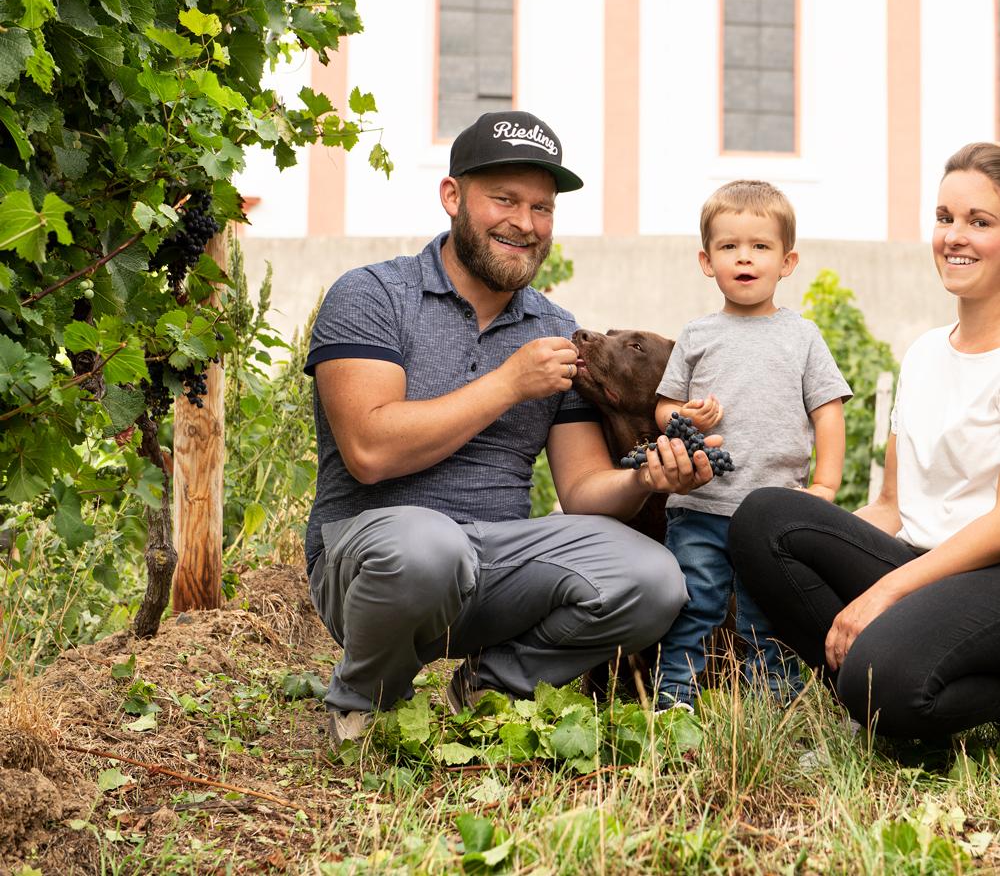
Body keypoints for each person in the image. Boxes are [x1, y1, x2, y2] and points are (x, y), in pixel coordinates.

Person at [304, 110, 719, 745]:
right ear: (451, 197)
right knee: (428, 548)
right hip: (376, 560)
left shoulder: (554, 326)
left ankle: (493, 686)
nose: (525, 224)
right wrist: (506, 384)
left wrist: (648, 474)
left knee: (655, 579)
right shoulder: (371, 296)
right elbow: (368, 449)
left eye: (542, 208)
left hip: (497, 563)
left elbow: (582, 492)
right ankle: (368, 699)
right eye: (504, 199)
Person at [729, 142, 1000, 740]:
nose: (954, 236)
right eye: (944, 218)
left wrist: (885, 591)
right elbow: (894, 506)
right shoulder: (927, 353)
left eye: (980, 222)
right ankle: (874, 685)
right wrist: (810, 550)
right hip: (925, 566)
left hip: (989, 575)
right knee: (763, 518)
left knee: (885, 683)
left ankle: (896, 688)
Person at [653, 180, 852, 711]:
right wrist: (683, 417)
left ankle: (774, 710)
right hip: (701, 507)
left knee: (767, 615)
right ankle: (676, 704)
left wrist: (824, 486)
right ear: (706, 259)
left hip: (773, 516)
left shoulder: (802, 336)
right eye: (729, 246)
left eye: (760, 247)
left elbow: (827, 413)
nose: (745, 258)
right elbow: (664, 408)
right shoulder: (697, 335)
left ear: (787, 262)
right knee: (692, 605)